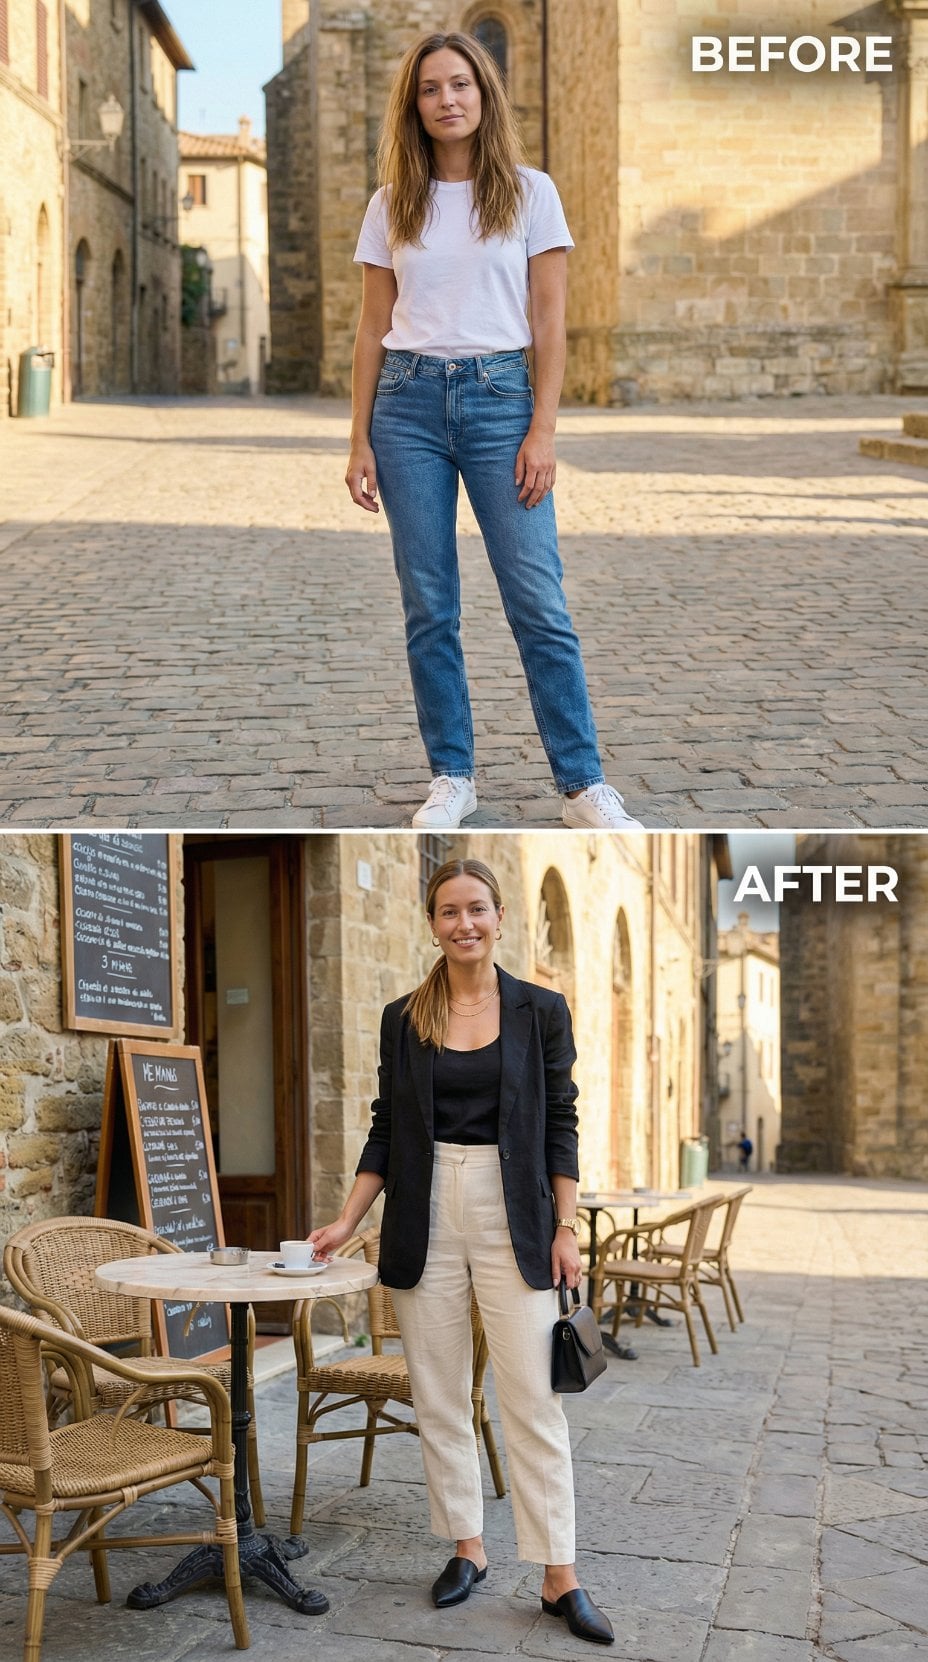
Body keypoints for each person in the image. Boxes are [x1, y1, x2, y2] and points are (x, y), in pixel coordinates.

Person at [310, 857, 614, 1645]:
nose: (464, 924)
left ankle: (558, 1575)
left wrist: (567, 1225)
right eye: (448, 911)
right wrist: (347, 1219)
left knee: (532, 1402)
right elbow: (385, 1125)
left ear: (500, 916)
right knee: (441, 1396)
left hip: (514, 1209)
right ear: (433, 922)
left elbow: (561, 1120)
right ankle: (467, 1548)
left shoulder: (540, 1009)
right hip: (425, 1206)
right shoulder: (402, 1016)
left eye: (476, 908)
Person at [346, 30, 643, 833]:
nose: (448, 100)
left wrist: (542, 428)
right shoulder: (390, 204)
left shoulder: (529, 192)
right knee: (429, 603)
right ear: (414, 107)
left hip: (501, 401)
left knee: (536, 598)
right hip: (406, 408)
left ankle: (582, 782)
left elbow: (550, 318)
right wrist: (359, 438)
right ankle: (452, 775)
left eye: (461, 85)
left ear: (485, 95)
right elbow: (373, 325)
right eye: (432, 89)